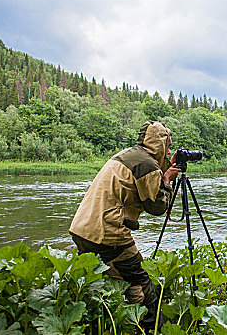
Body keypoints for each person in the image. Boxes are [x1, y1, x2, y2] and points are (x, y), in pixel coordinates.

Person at [69, 121, 180, 331]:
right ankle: (149, 328)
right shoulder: (147, 166)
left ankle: (105, 325)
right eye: (168, 143)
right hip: (107, 232)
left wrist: (165, 165)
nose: (170, 148)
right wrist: (166, 179)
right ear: (160, 142)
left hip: (83, 228)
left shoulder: (132, 154)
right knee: (140, 282)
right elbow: (156, 206)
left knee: (111, 278)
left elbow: (145, 175)